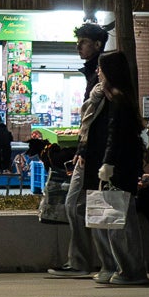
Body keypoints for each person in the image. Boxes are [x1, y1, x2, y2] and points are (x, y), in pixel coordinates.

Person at [84, 49, 149, 285]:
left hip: (119, 168)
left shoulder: (119, 100)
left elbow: (116, 136)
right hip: (115, 166)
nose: (98, 72)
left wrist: (108, 164)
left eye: (101, 69)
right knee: (108, 221)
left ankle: (131, 270)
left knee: (119, 223)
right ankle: (117, 267)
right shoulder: (112, 97)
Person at [48, 21, 109, 278]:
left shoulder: (102, 73)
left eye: (82, 42)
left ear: (96, 44)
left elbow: (99, 120)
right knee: (80, 205)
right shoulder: (93, 73)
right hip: (89, 152)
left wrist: (85, 151)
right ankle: (87, 261)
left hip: (95, 154)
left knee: (77, 205)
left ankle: (84, 262)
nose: (78, 47)